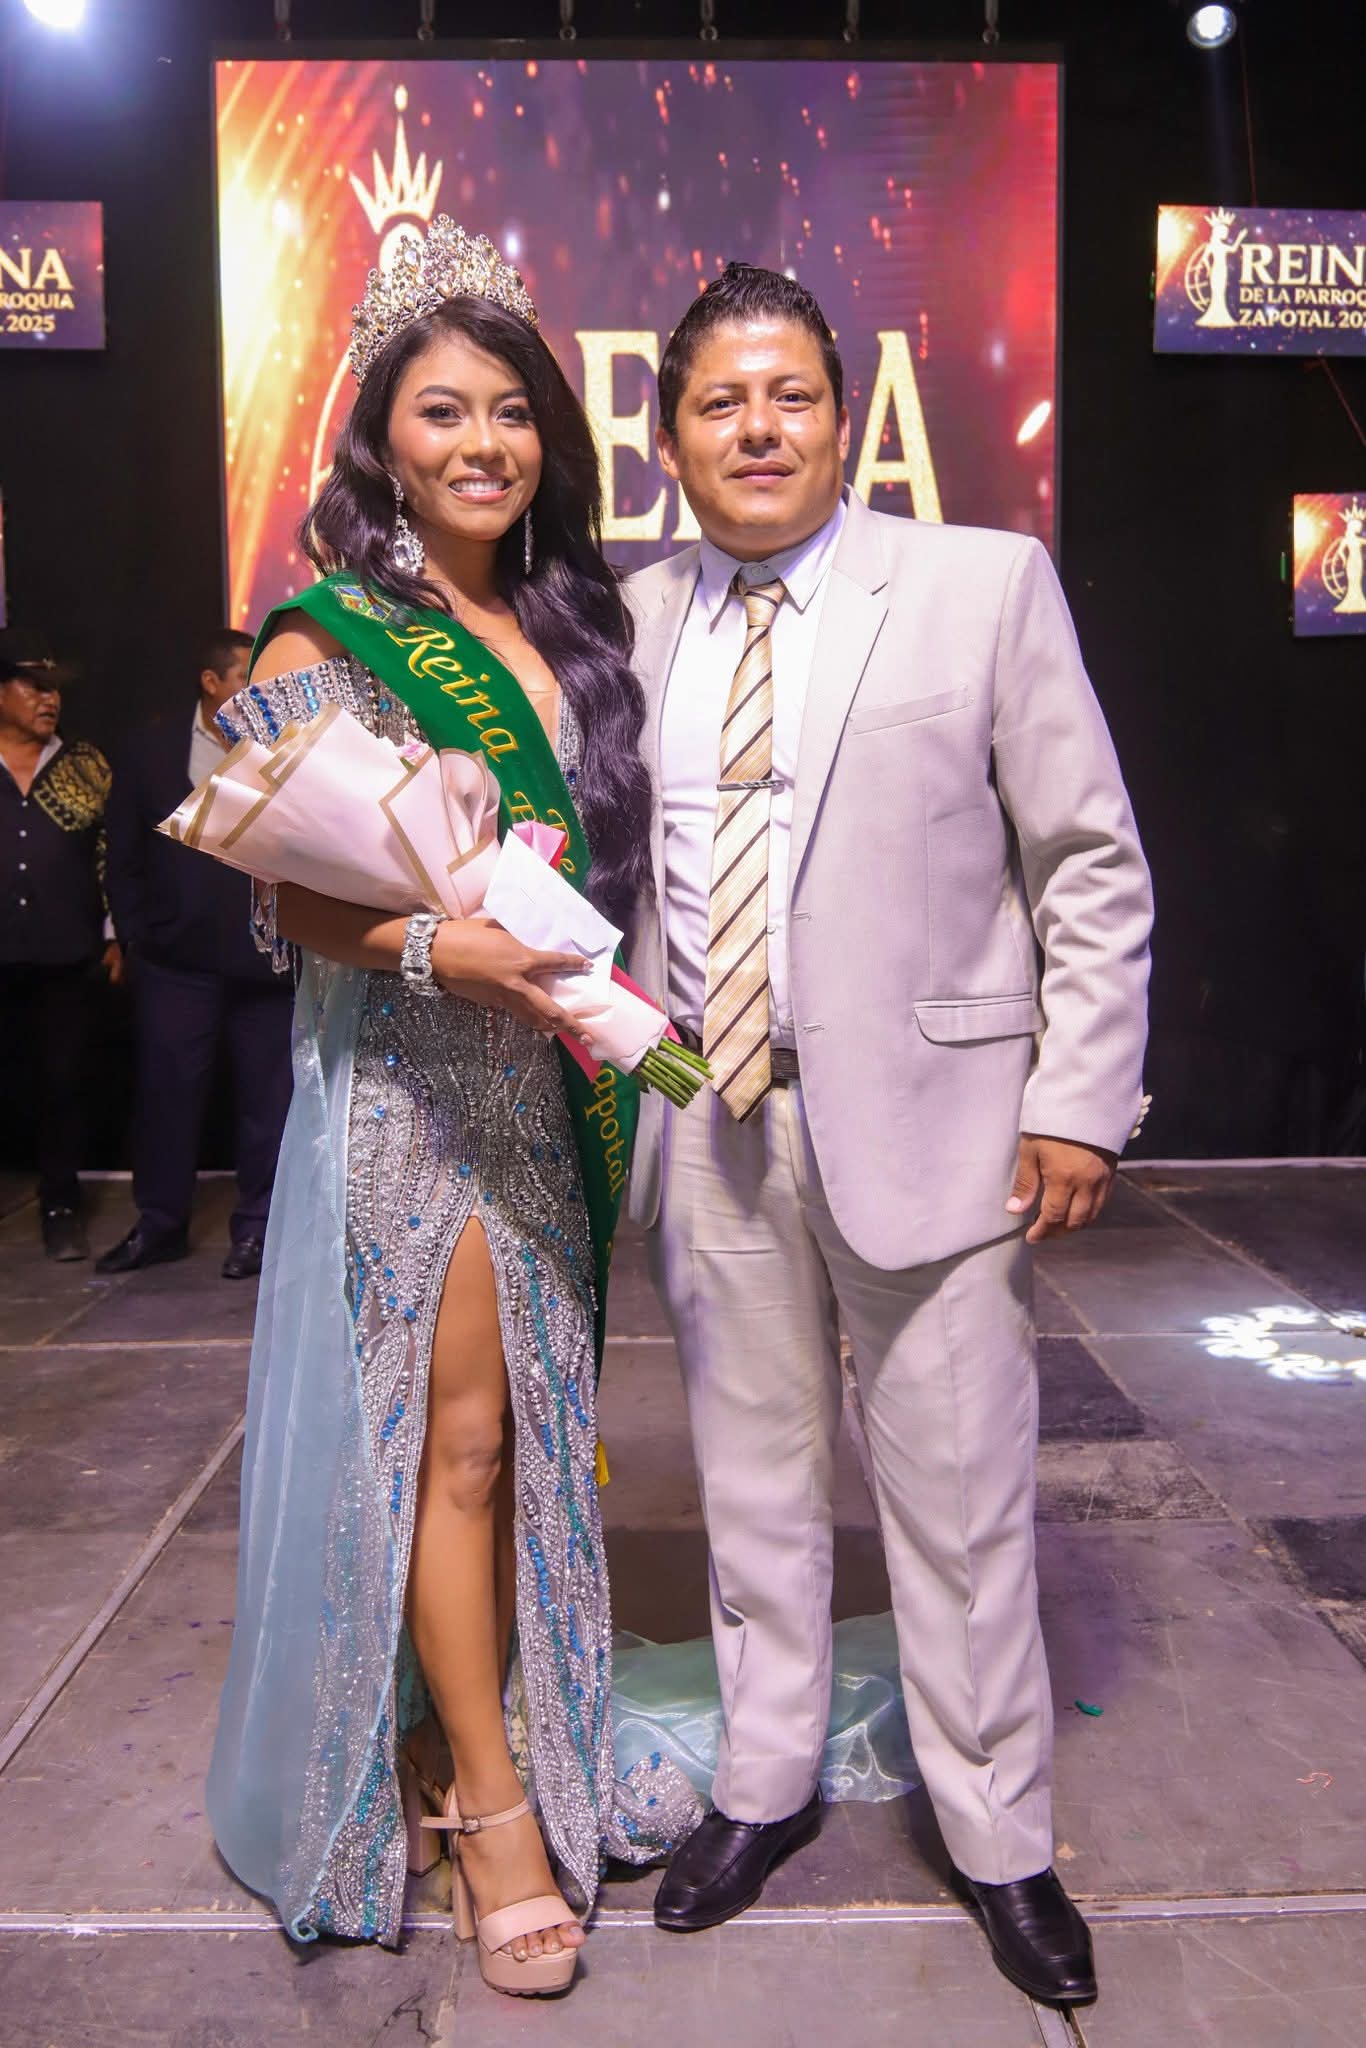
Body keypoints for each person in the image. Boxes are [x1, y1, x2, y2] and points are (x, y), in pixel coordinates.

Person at [624, 264, 1153, 2010]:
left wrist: (1076, 1096)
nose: (757, 427)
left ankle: (998, 1835)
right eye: (720, 401)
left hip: (944, 1131)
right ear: (669, 436)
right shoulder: (628, 622)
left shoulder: (979, 584)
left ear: (843, 419)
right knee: (750, 1486)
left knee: (961, 1500)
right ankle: (762, 1780)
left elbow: (1087, 861)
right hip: (712, 1123)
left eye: (789, 394)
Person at [204, 220, 698, 1991]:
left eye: (511, 411)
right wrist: (439, 944)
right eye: (442, 411)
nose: (483, 443)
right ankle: (491, 1810)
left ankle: (471, 1731)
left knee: (525, 1440)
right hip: (418, 1089)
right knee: (457, 1444)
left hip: (550, 1085)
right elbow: (285, 891)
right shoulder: (322, 631)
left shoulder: (577, 623)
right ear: (383, 441)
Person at [99, 631, 294, 1281]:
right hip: (175, 966)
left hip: (266, 965)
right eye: (245, 677)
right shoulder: (150, 749)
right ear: (211, 683)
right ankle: (160, 1225)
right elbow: (123, 852)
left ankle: (258, 1231)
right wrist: (135, 934)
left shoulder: (286, 746)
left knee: (268, 1105)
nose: (259, 689)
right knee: (166, 1098)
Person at [0, 628, 121, 1260]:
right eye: (34, 686)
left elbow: (111, 852)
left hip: (66, 953)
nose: (49, 699)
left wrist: (114, 934)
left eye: (55, 690)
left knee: (63, 1083)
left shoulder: (84, 764)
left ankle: (61, 1206)